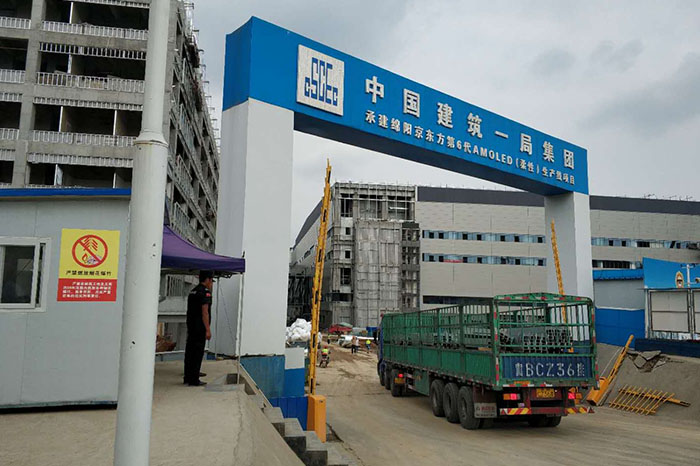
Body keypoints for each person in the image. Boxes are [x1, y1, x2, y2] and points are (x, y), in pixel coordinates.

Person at [184, 270, 213, 386]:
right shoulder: (205, 293)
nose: (211, 284)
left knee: (190, 352)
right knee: (197, 353)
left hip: (191, 327)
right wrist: (208, 329)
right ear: (208, 279)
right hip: (200, 328)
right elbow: (205, 312)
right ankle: (194, 379)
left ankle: (188, 376)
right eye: (211, 281)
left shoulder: (193, 291)